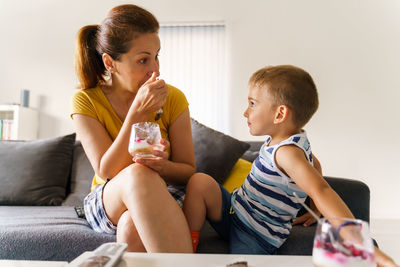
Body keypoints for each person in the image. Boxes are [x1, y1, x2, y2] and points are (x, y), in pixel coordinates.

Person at [183, 65, 397, 266]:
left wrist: (357, 239)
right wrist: (311, 204)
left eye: (252, 104)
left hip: (256, 234)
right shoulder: (286, 140)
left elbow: (322, 189)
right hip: (235, 210)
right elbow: (315, 164)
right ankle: (184, 250)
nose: (245, 112)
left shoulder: (287, 153)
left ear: (280, 114)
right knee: (199, 182)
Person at [71, 4, 195, 252]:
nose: (156, 69)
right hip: (109, 197)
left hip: (163, 192)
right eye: (143, 60)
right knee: (138, 174)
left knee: (131, 226)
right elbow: (106, 171)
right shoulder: (87, 100)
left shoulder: (174, 99)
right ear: (110, 63)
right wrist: (138, 114)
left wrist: (163, 166)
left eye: (157, 56)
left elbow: (188, 172)